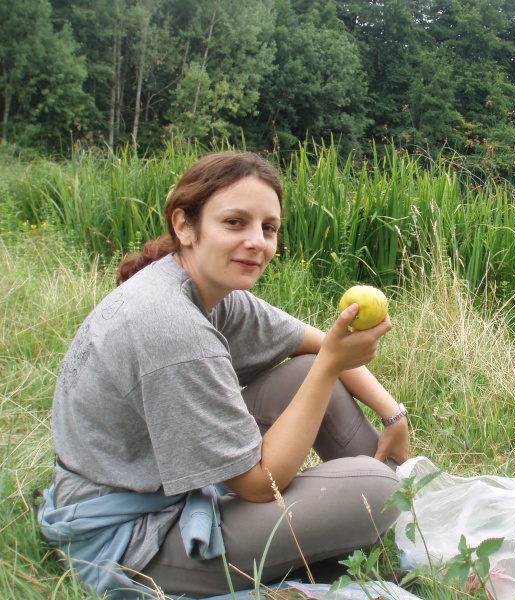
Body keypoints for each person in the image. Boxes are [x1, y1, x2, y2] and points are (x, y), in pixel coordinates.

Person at [37, 151, 410, 599]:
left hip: (165, 481)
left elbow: (314, 344)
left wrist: (393, 413)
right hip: (133, 539)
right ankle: (390, 529)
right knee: (375, 488)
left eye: (268, 227)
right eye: (235, 222)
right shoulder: (171, 327)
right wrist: (332, 363)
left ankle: (405, 532)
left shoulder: (208, 290)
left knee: (308, 372)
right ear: (184, 226)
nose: (258, 242)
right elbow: (259, 484)